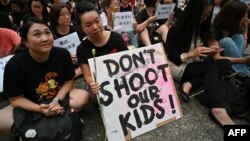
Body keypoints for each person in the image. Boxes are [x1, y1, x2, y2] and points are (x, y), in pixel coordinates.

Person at [0, 18, 89, 136]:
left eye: (47, 33)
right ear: (26, 42)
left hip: (56, 97)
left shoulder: (62, 54)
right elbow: (15, 99)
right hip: (30, 104)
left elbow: (68, 82)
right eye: (37, 34)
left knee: (82, 97)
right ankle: (61, 119)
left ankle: (39, 128)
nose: (45, 38)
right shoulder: (14, 65)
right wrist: (39, 109)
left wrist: (56, 101)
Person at [166, 0, 235, 126]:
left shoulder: (202, 25)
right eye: (203, 15)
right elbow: (172, 57)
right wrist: (191, 54)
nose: (205, 18)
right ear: (194, 12)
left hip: (194, 62)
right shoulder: (177, 27)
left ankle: (190, 83)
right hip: (178, 66)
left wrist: (209, 51)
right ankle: (217, 108)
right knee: (211, 65)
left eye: (208, 15)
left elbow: (199, 50)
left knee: (225, 63)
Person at [76, 1, 128, 102]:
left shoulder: (117, 38)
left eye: (97, 21)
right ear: (81, 28)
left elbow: (127, 62)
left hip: (121, 79)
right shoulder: (82, 49)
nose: (95, 27)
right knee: (96, 97)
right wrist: (92, 83)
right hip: (101, 85)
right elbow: (88, 76)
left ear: (101, 18)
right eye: (88, 25)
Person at [208, 0, 250, 76]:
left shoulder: (233, 29)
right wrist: (244, 60)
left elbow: (241, 52)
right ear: (234, 17)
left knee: (239, 36)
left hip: (232, 63)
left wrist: (245, 31)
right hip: (213, 62)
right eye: (243, 16)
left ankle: (242, 73)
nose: (245, 19)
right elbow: (216, 58)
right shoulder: (213, 30)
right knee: (226, 41)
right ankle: (246, 75)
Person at [50, 3, 85, 79]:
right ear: (55, 17)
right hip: (62, 67)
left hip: (79, 64)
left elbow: (84, 46)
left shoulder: (76, 30)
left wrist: (79, 55)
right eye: (62, 14)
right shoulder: (50, 34)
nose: (67, 17)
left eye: (68, 14)